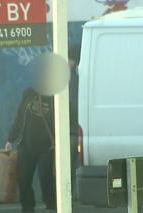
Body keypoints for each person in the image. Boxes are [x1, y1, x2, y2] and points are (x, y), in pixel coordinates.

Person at [5, 83, 56, 213]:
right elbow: (19, 117)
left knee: (46, 178)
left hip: (47, 147)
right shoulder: (28, 94)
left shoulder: (56, 96)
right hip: (26, 145)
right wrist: (10, 139)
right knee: (23, 179)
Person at [69, 44, 81, 199]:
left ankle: (69, 196)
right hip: (78, 128)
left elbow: (73, 103)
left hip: (72, 129)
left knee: (67, 166)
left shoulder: (73, 78)